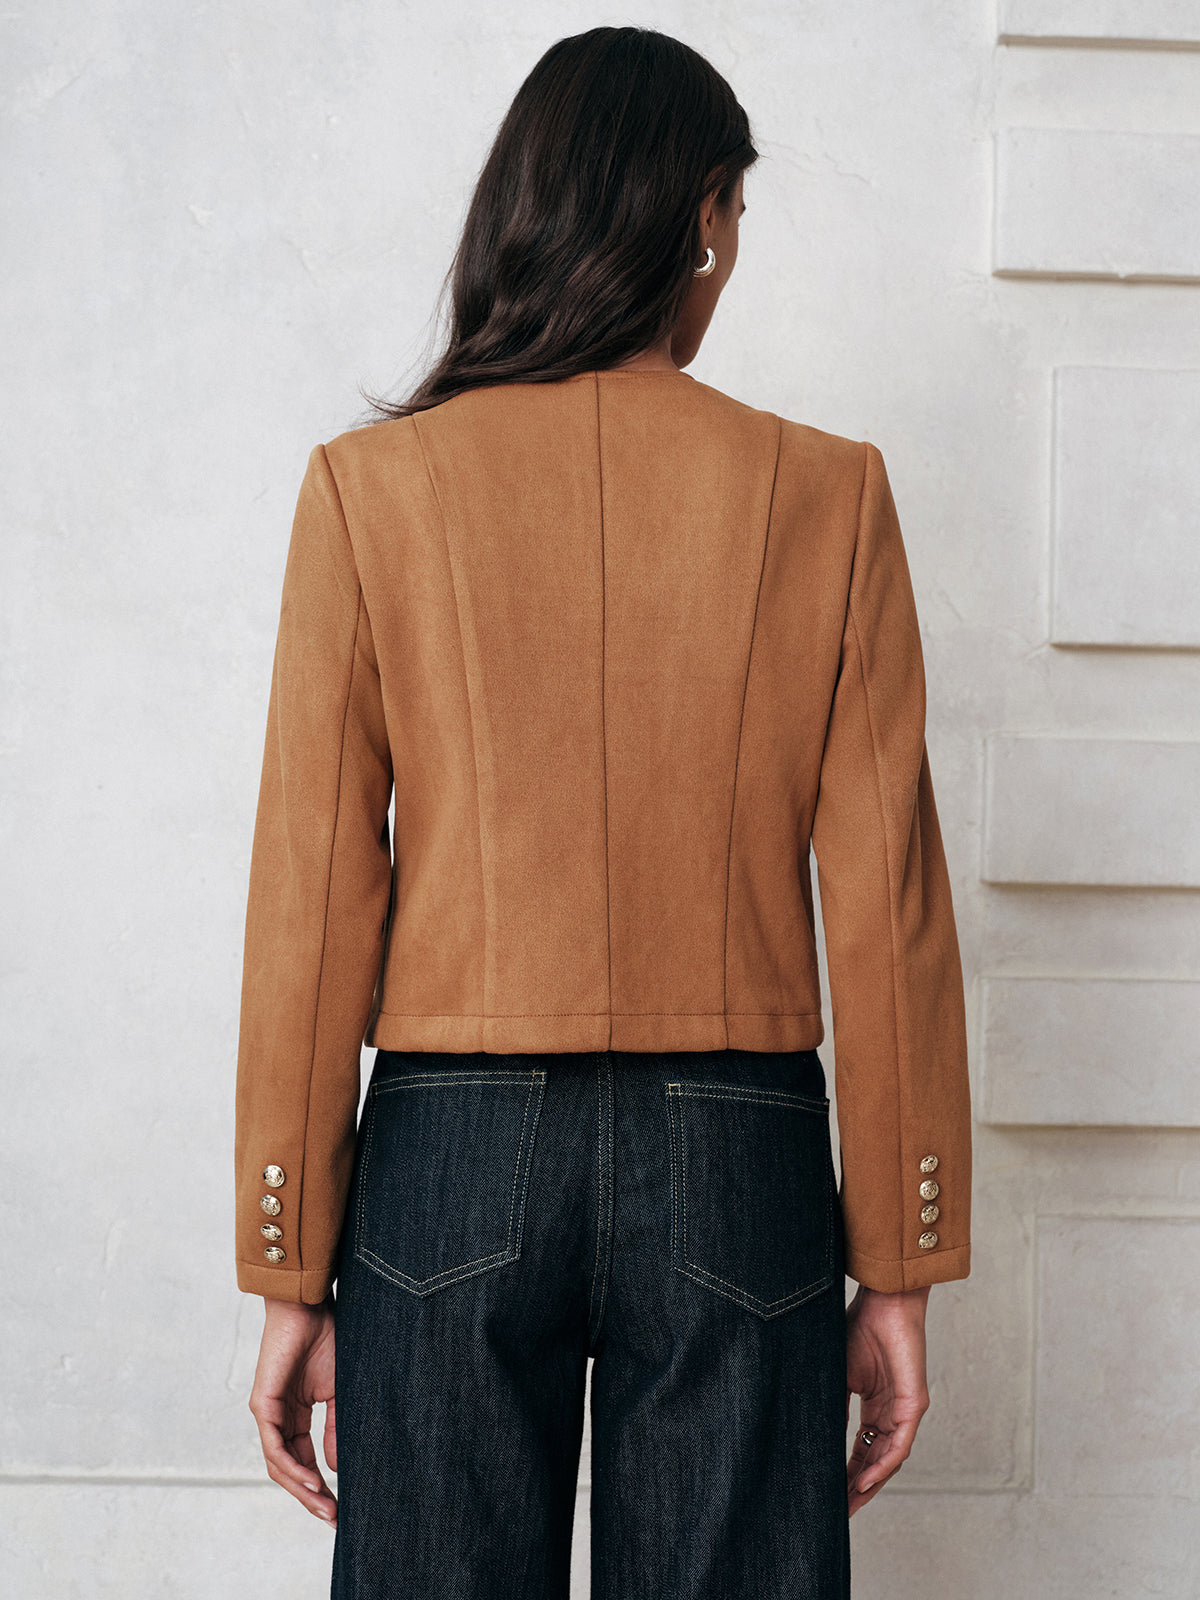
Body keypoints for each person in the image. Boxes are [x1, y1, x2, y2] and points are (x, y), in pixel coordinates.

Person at [234, 24, 972, 1600]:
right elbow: (888, 904)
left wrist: (290, 1264)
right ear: (700, 217)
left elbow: (314, 899)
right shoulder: (827, 494)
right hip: (738, 1152)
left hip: (449, 1146)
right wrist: (901, 1269)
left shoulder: (373, 491)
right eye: (736, 220)